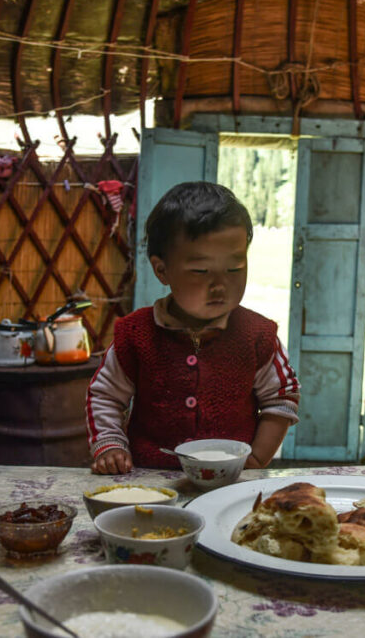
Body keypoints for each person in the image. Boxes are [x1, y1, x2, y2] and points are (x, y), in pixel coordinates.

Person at [87, 181, 300, 474]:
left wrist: (256, 460)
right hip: (151, 480)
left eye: (235, 269)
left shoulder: (258, 336)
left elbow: (282, 399)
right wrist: (110, 444)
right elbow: (106, 396)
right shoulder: (136, 335)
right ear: (162, 270)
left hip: (232, 480)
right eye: (201, 271)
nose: (220, 285)